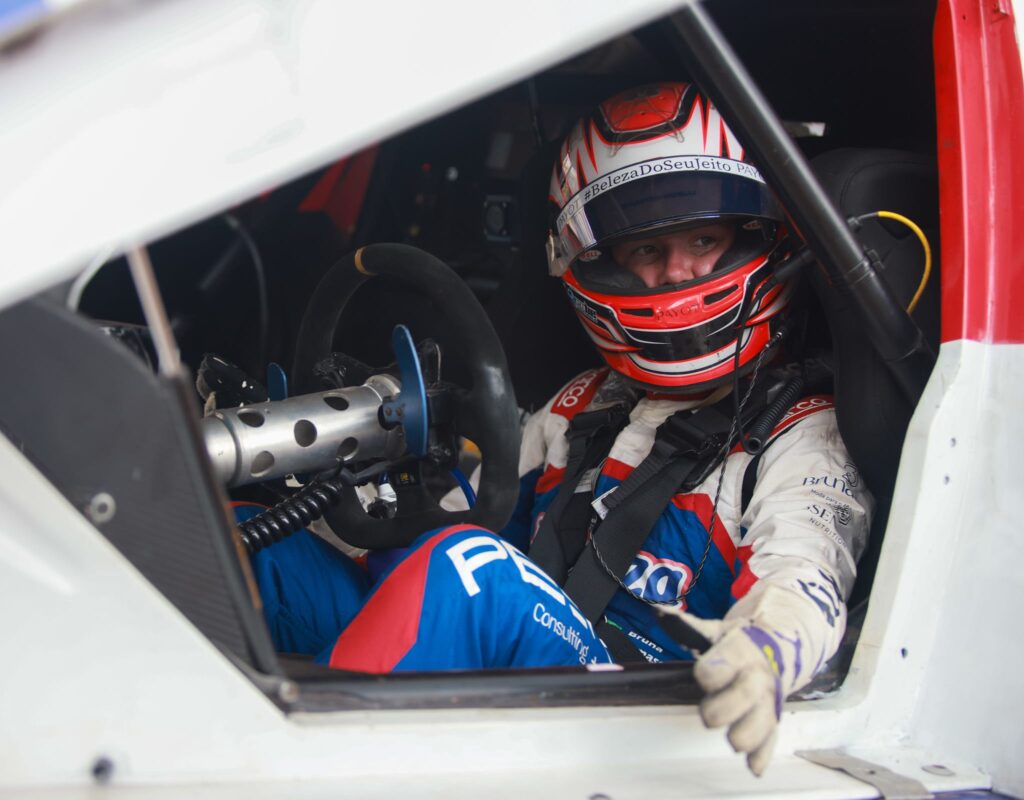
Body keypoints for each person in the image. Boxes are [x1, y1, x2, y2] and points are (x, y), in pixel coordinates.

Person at [244, 81, 871, 776]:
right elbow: (451, 518)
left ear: (754, 239)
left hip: (642, 707)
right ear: (601, 261)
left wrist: (764, 652)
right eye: (646, 249)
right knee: (258, 542)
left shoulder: (802, 434)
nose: (676, 274)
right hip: (535, 661)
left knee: (471, 572)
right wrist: (332, 489)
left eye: (703, 239)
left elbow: (807, 574)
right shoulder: (581, 403)